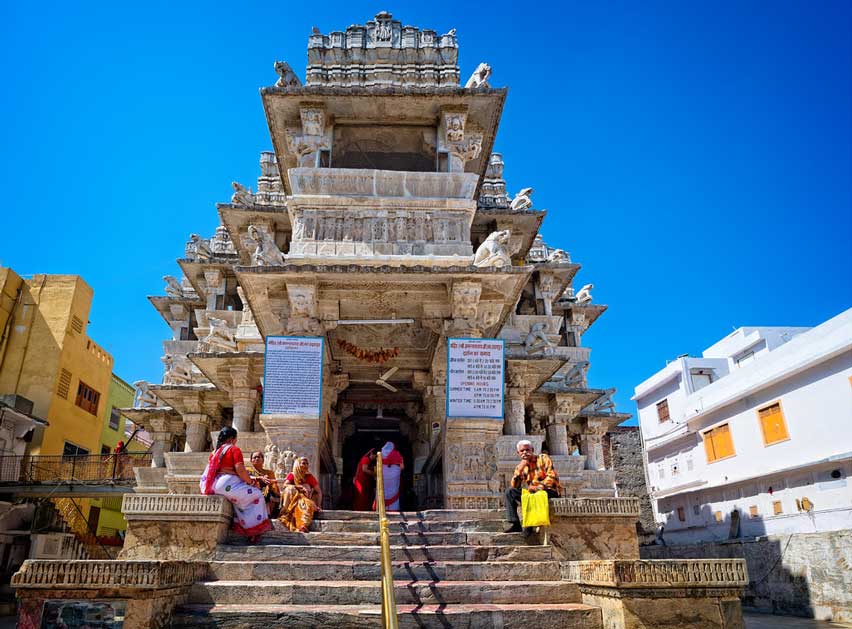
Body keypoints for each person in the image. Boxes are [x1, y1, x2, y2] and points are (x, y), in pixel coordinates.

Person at [200, 426, 272, 542]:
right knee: (257, 495)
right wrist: (252, 482)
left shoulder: (215, 452)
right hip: (227, 485)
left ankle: (242, 524)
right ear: (232, 438)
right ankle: (253, 530)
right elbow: (240, 470)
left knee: (240, 499)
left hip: (214, 485)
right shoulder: (234, 449)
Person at [504, 439, 562, 535]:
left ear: (532, 450)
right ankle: (515, 523)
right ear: (518, 453)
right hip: (533, 492)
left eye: (527, 450)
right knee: (510, 492)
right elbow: (515, 485)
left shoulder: (543, 458)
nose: (525, 452)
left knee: (533, 495)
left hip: (549, 490)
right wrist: (520, 469)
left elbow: (552, 476)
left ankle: (529, 526)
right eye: (522, 451)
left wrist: (539, 487)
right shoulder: (521, 466)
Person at [279, 457, 322, 533]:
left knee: (307, 505)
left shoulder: (309, 477)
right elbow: (285, 486)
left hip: (305, 499)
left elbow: (318, 492)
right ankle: (285, 512)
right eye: (303, 463)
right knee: (289, 489)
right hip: (291, 500)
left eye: (307, 463)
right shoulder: (292, 475)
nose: (306, 465)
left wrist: (319, 505)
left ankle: (303, 526)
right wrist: (298, 487)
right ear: (297, 464)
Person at [249, 451, 281, 517]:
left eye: (259, 457)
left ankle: (269, 514)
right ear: (251, 461)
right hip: (252, 492)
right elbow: (247, 478)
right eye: (254, 457)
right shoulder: (247, 470)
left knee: (273, 487)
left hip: (267, 493)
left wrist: (269, 481)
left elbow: (273, 482)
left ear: (263, 460)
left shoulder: (269, 472)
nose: (257, 459)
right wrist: (259, 478)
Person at [377, 441, 404, 511]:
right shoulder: (397, 454)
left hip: (383, 474)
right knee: (394, 490)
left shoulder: (380, 454)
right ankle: (393, 509)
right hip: (394, 476)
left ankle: (382, 508)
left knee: (382, 489)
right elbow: (402, 467)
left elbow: (378, 465)